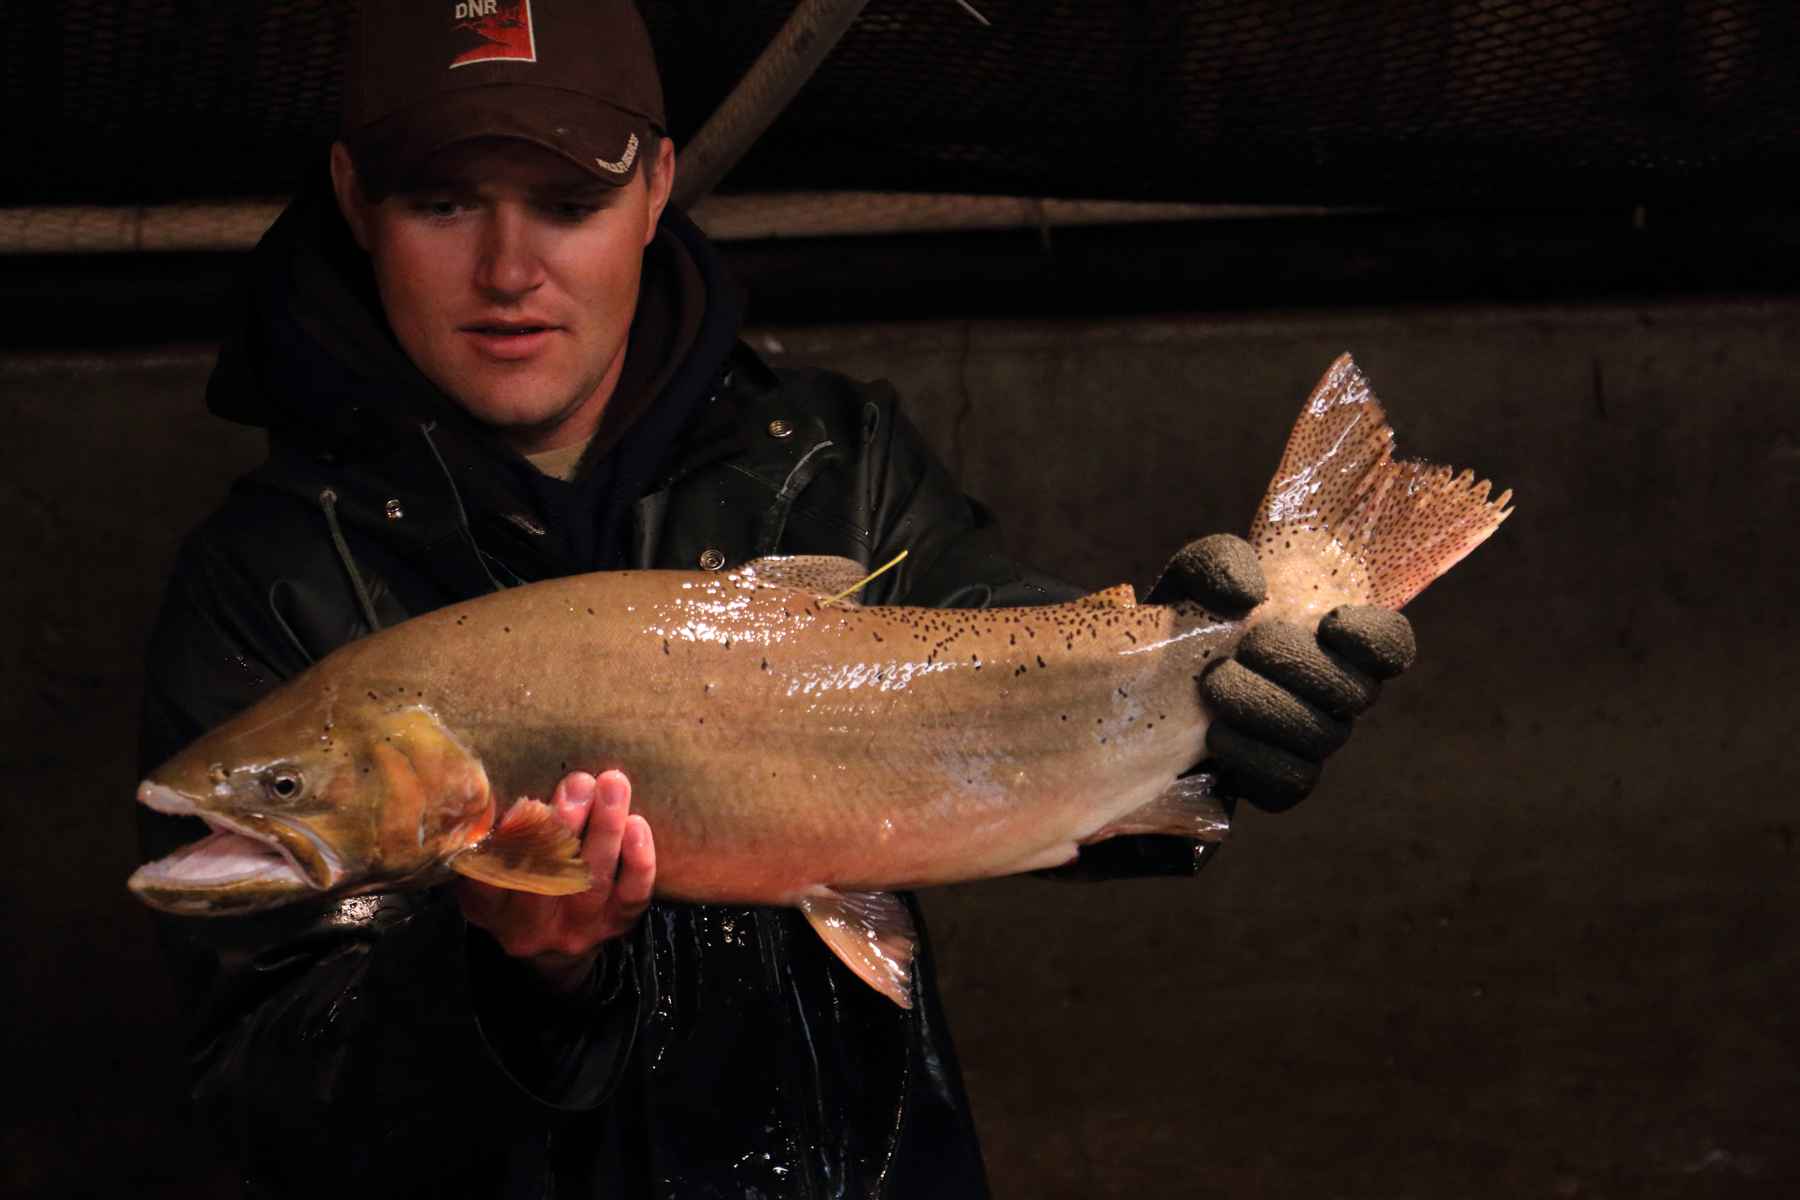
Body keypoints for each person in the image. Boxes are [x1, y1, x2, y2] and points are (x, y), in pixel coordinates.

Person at [137, 2, 1414, 1196]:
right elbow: (268, 1107)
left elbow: (1003, 671)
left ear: (654, 187)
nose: (509, 268)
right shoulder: (271, 582)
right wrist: (506, 982)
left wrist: (1218, 710)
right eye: (442, 202)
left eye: (569, 200)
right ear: (355, 198)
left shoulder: (831, 463)